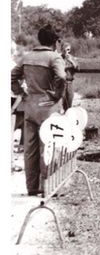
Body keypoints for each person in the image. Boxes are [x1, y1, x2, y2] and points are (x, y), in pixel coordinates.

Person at [11, 24, 66, 196]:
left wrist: (21, 92)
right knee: (49, 146)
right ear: (53, 42)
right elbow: (62, 77)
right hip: (48, 107)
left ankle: (32, 187)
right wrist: (56, 95)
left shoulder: (27, 57)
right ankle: (48, 187)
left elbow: (12, 76)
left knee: (30, 148)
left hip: (30, 106)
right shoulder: (54, 57)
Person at [61, 42, 79, 111]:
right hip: (62, 83)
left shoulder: (72, 58)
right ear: (62, 50)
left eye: (68, 50)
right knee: (63, 103)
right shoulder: (59, 58)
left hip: (70, 83)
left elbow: (77, 68)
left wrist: (71, 61)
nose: (67, 51)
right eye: (65, 50)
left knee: (70, 101)